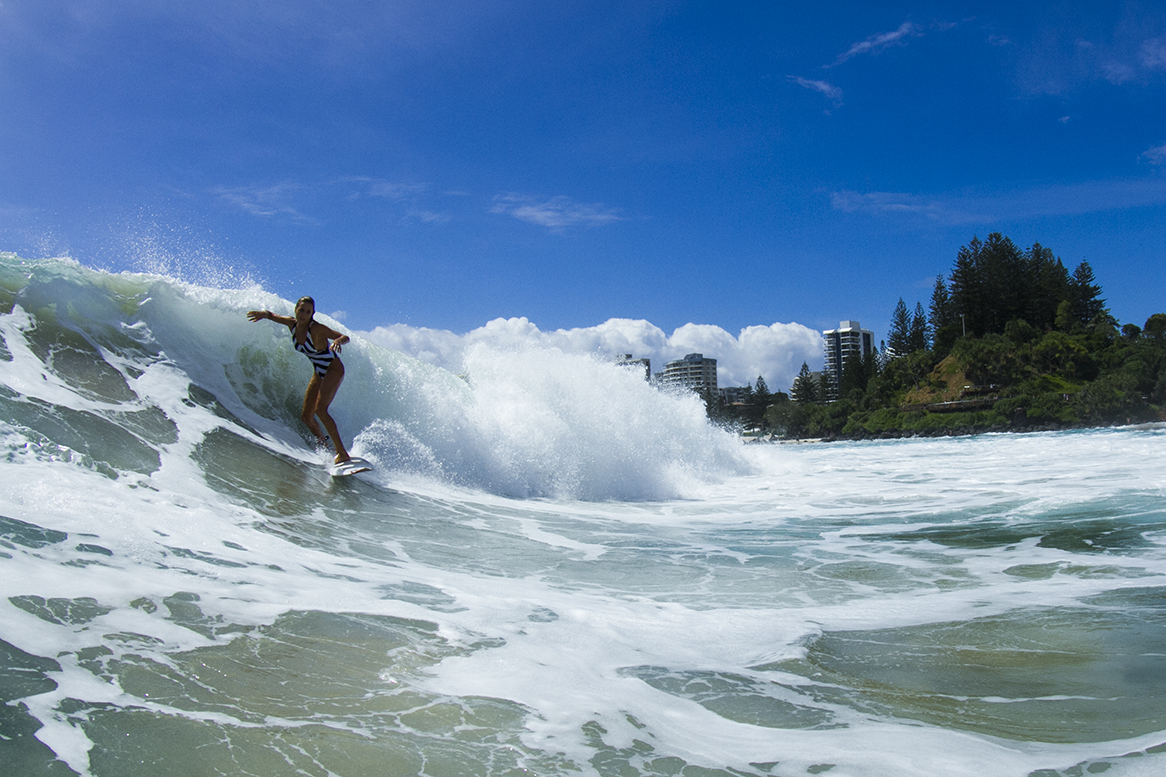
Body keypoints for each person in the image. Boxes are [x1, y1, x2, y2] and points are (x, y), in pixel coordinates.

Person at [247, 296, 352, 464]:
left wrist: (338, 341)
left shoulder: (316, 329)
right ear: (296, 309)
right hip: (318, 371)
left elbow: (344, 336)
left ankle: (342, 453)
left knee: (321, 410)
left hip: (333, 369)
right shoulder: (292, 324)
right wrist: (263, 314)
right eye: (301, 310)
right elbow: (273, 316)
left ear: (312, 314)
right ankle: (326, 448)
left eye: (308, 312)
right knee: (306, 417)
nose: (304, 314)